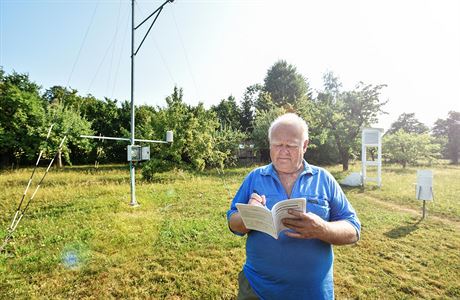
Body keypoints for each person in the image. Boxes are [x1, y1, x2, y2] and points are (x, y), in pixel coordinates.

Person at [227, 113, 361, 300]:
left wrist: (322, 229)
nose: (283, 151)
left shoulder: (324, 179)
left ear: (305, 145)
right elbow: (232, 223)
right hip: (257, 290)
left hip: (312, 293)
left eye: (290, 145)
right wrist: (248, 216)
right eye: (277, 144)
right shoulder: (254, 177)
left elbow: (353, 230)